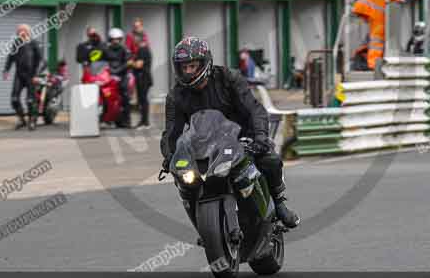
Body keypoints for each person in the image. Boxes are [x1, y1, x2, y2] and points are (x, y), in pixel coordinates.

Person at [160, 37, 300, 229]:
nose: (188, 71)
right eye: (183, 67)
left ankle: (279, 202)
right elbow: (171, 132)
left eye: (192, 66)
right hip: (204, 146)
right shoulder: (176, 96)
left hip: (242, 137)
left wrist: (259, 136)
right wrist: (169, 156)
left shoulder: (228, 78)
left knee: (270, 160)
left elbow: (254, 109)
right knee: (184, 179)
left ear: (204, 63)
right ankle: (203, 226)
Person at [4, 24, 45, 130]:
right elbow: (10, 57)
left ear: (27, 32)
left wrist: (36, 75)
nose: (20, 33)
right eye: (18, 31)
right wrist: (6, 70)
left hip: (31, 75)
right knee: (14, 99)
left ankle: (32, 120)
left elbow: (41, 61)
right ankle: (22, 119)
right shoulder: (16, 44)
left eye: (22, 31)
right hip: (19, 75)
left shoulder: (34, 43)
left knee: (30, 100)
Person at [102, 28, 131, 128]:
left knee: (125, 96)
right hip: (108, 76)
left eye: (118, 39)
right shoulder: (105, 49)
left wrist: (117, 71)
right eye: (113, 39)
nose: (115, 41)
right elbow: (100, 61)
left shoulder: (124, 49)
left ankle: (126, 120)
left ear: (120, 39)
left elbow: (128, 62)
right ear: (110, 39)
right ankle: (106, 119)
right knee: (105, 97)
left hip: (122, 75)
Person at [133, 37, 153, 129]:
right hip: (144, 78)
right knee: (143, 100)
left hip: (143, 79)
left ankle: (144, 122)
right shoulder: (146, 49)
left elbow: (138, 65)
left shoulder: (142, 50)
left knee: (143, 100)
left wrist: (130, 63)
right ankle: (144, 121)